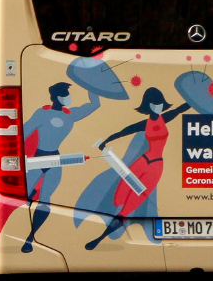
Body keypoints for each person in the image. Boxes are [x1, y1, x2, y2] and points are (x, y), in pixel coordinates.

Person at [80, 86, 187, 250]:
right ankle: (105, 227)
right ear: (149, 105)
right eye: (155, 104)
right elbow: (125, 131)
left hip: (156, 166)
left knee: (130, 205)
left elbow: (181, 109)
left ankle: (99, 238)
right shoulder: (145, 123)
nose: (158, 106)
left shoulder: (165, 118)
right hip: (143, 162)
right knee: (120, 195)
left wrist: (199, 99)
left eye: (160, 103)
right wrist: (106, 140)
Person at [20, 81, 101, 252]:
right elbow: (24, 132)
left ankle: (30, 237)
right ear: (57, 97)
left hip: (55, 161)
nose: (69, 98)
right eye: (66, 95)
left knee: (46, 201)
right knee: (24, 196)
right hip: (37, 159)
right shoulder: (42, 113)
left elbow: (95, 104)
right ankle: (21, 231)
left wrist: (92, 85)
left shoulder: (70, 115)